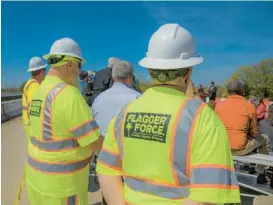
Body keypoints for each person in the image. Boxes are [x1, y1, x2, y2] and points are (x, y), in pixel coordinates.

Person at [96, 23, 240, 205]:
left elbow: (107, 170)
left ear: (149, 69)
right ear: (188, 71)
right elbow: (207, 195)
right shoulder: (203, 118)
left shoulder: (124, 113)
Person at [25, 37, 103, 205]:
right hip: (63, 187)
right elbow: (93, 142)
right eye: (79, 65)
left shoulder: (39, 91)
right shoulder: (68, 94)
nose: (79, 71)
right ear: (70, 64)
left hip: (36, 180)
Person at [91, 60, 141, 204]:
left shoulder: (98, 100)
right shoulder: (138, 99)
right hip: (131, 166)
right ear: (131, 77)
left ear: (112, 77)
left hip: (105, 161)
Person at [215, 79, 271, 184]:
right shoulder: (249, 106)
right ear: (241, 90)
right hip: (240, 148)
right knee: (265, 138)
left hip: (222, 147)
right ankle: (261, 173)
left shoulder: (218, 106)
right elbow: (254, 132)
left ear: (228, 91)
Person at [22, 56, 47, 141]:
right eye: (45, 70)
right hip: (35, 128)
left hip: (30, 126)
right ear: (42, 71)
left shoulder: (30, 84)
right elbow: (37, 111)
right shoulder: (34, 87)